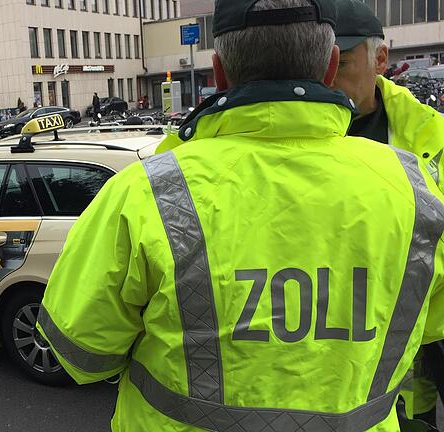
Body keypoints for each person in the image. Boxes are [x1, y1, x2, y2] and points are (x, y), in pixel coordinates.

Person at [37, 0, 444, 431]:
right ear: (329, 67)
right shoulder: (415, 189)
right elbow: (429, 322)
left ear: (219, 72)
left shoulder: (147, 193)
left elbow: (81, 353)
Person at [331, 0, 444, 426]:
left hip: (431, 320)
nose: (329, 77)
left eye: (341, 62)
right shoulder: (308, 131)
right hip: (350, 322)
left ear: (380, 59)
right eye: (322, 63)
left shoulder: (429, 132)